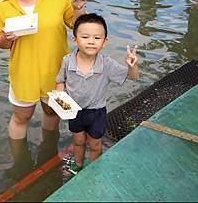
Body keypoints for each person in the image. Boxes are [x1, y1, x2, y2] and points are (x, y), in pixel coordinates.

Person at [0, 0, 87, 141]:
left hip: (55, 70)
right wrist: (6, 38)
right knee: (21, 117)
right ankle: (19, 162)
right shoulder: (3, 5)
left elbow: (78, 27)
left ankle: (48, 152)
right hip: (23, 71)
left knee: (51, 112)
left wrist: (78, 8)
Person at [55, 13, 139, 173]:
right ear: (75, 39)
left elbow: (133, 77)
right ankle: (78, 164)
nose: (91, 41)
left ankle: (94, 168)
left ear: (105, 42)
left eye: (97, 38)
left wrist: (132, 65)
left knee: (94, 143)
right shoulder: (67, 61)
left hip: (96, 112)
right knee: (78, 141)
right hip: (74, 111)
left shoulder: (106, 64)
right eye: (85, 36)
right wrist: (60, 99)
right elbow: (60, 81)